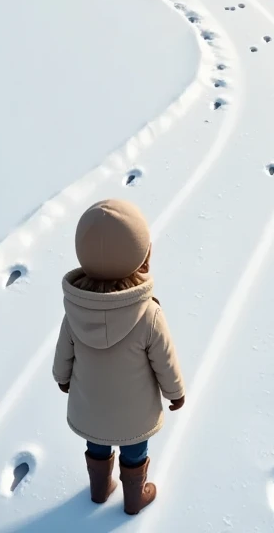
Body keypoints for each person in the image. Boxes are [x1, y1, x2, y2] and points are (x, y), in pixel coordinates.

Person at [53, 198, 185, 514]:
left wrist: (62, 378)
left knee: (96, 445)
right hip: (134, 415)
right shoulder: (148, 313)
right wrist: (175, 392)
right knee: (134, 451)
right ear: (142, 255)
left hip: (90, 408)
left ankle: (99, 490)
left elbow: (63, 353)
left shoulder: (76, 310)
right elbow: (164, 360)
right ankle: (134, 497)